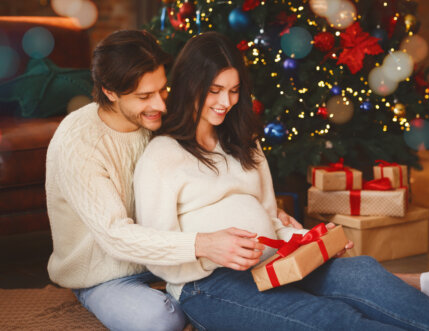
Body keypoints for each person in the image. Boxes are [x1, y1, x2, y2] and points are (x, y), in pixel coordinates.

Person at [134, 31, 429, 330]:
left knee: (361, 272)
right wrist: (208, 248)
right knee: (329, 318)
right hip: (206, 284)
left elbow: (269, 221)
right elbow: (154, 250)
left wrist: (313, 239)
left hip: (275, 263)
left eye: (234, 90)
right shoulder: (163, 155)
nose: (226, 102)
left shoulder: (242, 142)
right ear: (190, 84)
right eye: (215, 90)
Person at [45, 29, 299, 331]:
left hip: (174, 263)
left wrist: (268, 218)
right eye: (145, 96)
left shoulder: (156, 117)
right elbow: (115, 236)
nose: (162, 105)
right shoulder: (79, 143)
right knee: (160, 319)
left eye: (163, 90)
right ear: (110, 92)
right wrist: (202, 244)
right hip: (108, 272)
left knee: (237, 288)